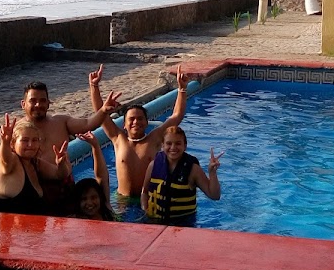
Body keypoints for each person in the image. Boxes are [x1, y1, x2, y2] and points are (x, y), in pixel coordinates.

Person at [88, 64, 190, 199]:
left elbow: (176, 116)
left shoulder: (154, 139)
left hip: (149, 200)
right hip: (122, 201)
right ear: (124, 125)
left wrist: (182, 89)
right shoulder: (118, 139)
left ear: (147, 122)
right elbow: (100, 114)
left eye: (140, 119)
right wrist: (94, 86)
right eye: (131, 119)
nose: (136, 122)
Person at [0, 114, 72, 215]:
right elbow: (5, 160)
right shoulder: (12, 161)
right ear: (13, 143)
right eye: (25, 140)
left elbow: (60, 174)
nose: (30, 145)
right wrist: (5, 142)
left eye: (35, 140)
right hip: (2, 223)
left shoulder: (35, 162)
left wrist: (61, 164)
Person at [140, 126, 222, 225]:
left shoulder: (193, 169)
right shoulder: (153, 165)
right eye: (169, 143)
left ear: (185, 146)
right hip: (154, 221)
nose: (173, 147)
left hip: (184, 224)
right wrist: (145, 210)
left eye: (178, 143)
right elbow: (144, 191)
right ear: (162, 145)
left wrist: (212, 173)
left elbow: (214, 195)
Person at [22, 79, 123, 157]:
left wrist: (103, 110)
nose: (38, 105)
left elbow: (88, 124)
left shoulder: (60, 123)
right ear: (23, 104)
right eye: (33, 101)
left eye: (42, 101)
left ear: (48, 104)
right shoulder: (17, 130)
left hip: (63, 178)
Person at [71, 132, 118, 221]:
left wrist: (95, 146)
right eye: (84, 199)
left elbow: (102, 177)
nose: (89, 203)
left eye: (93, 197)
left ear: (100, 198)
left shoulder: (105, 209)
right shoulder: (77, 219)